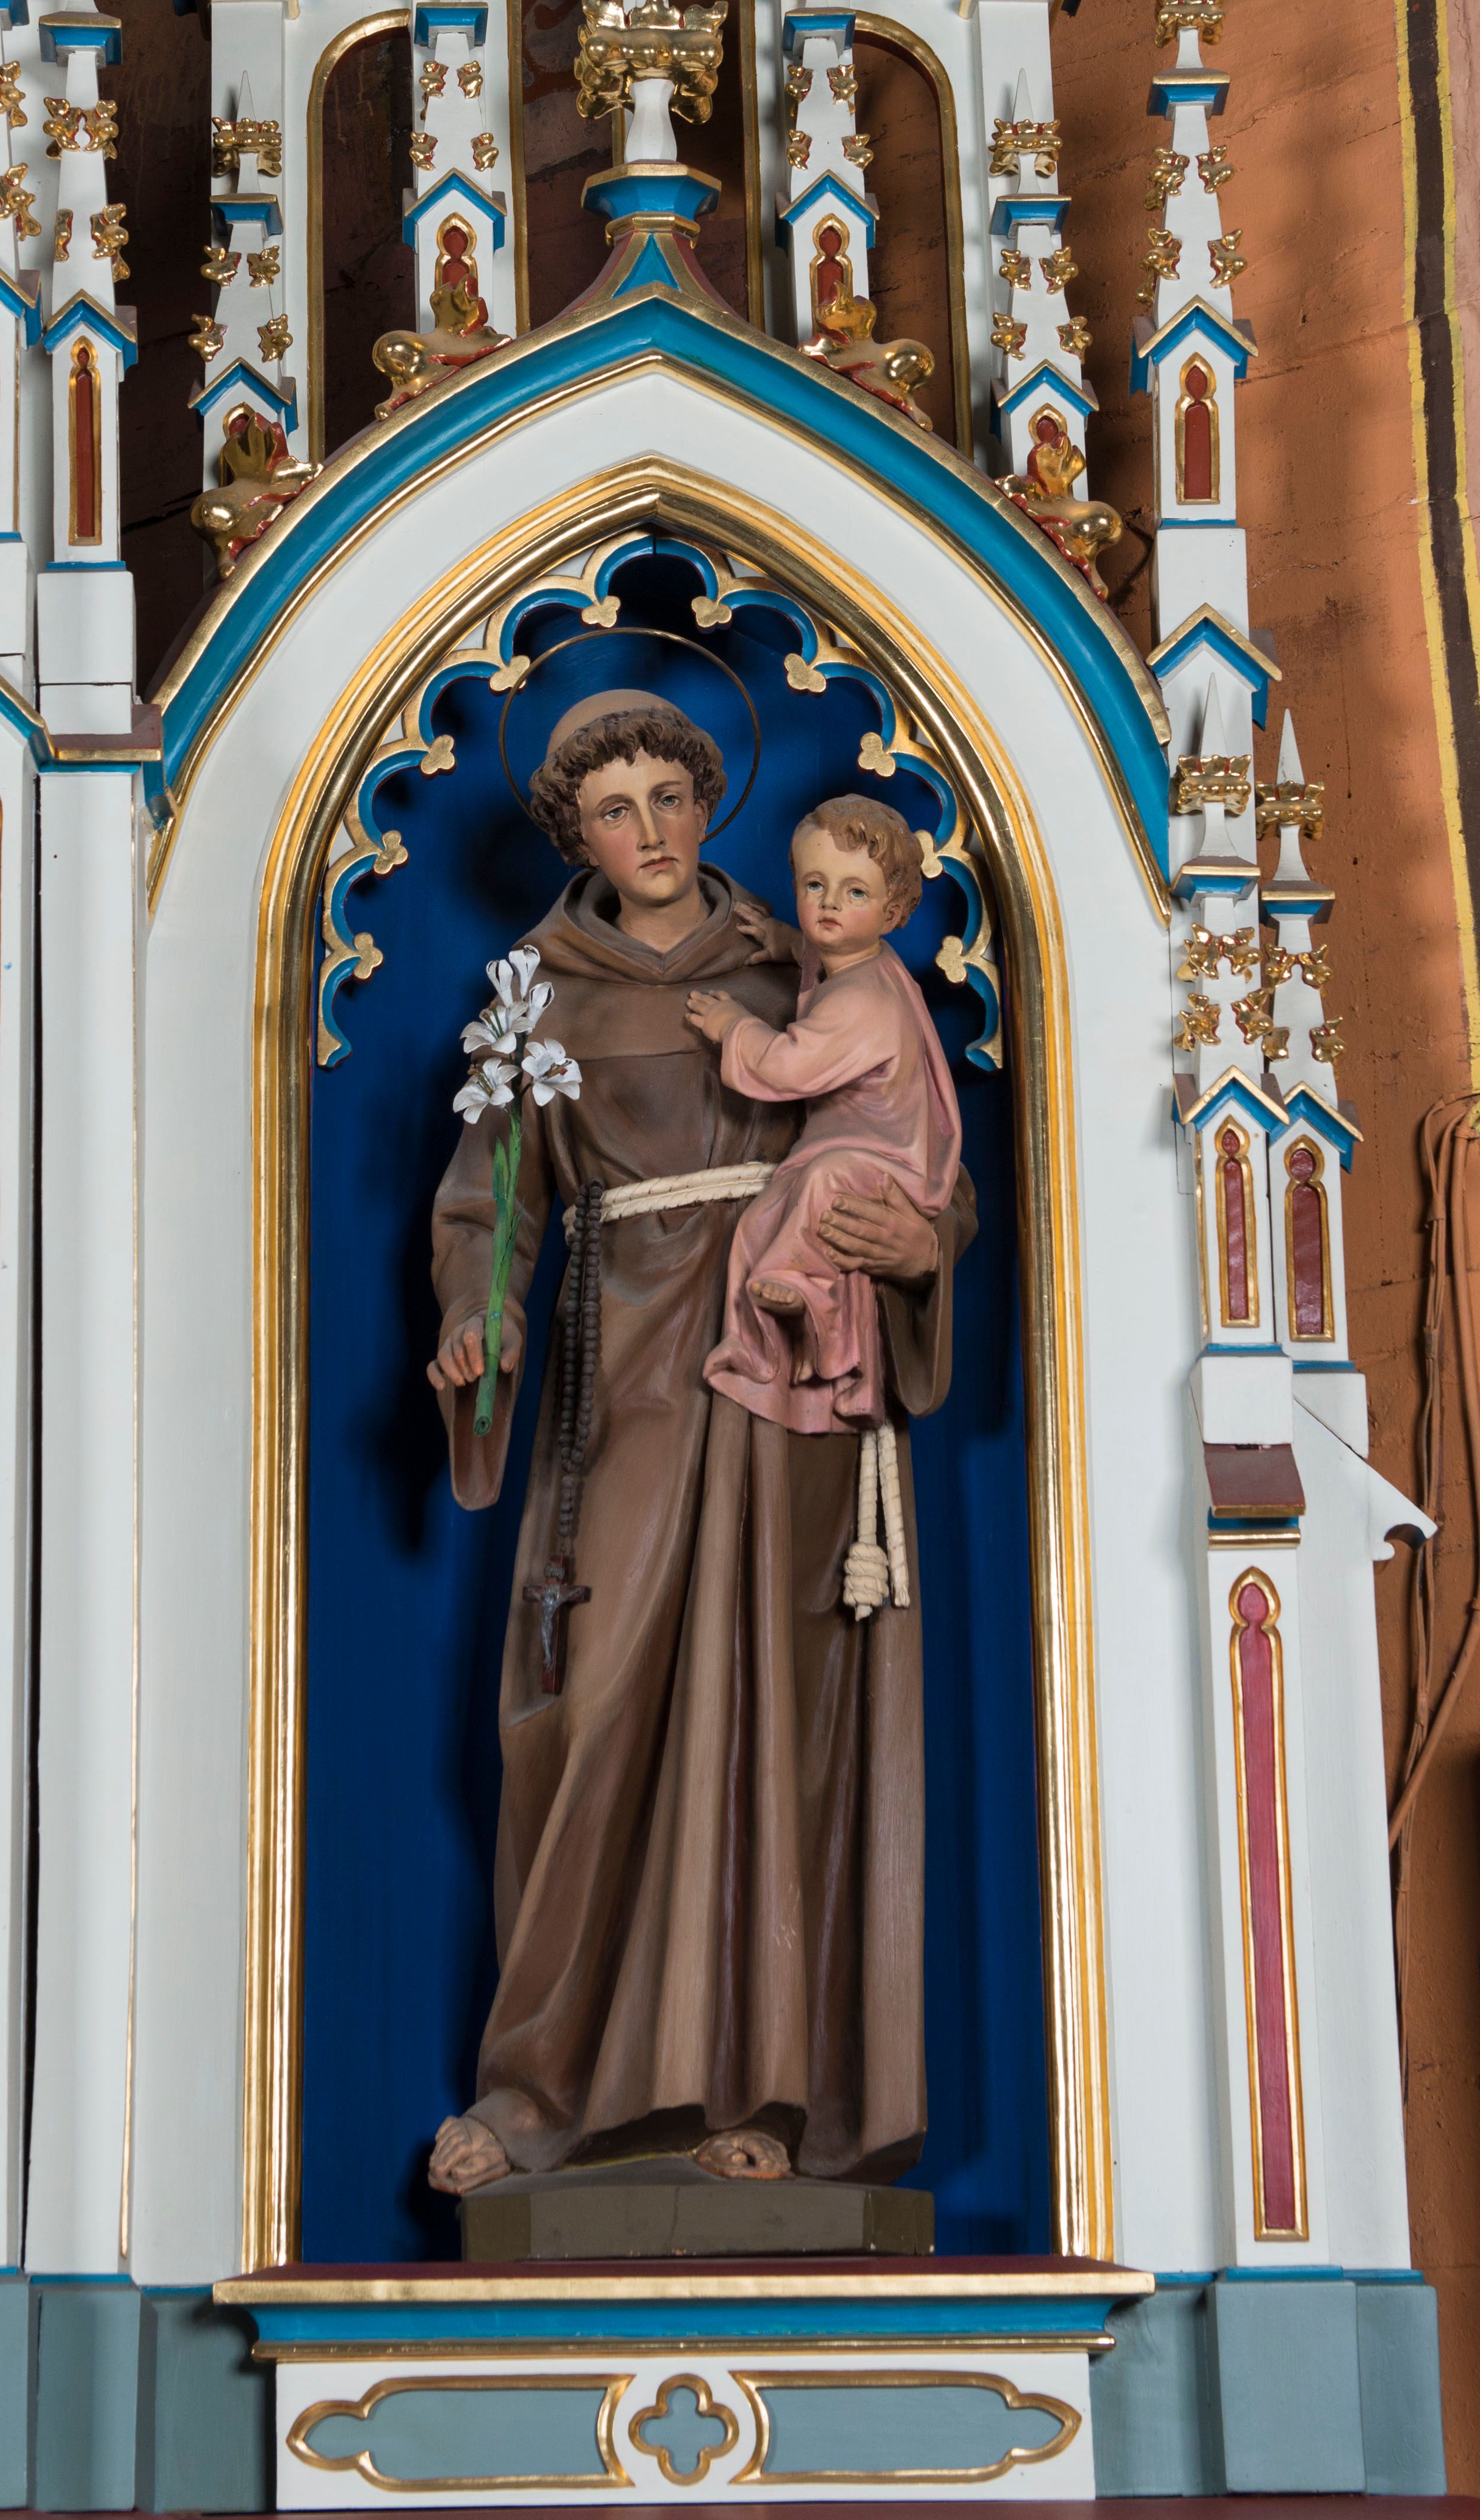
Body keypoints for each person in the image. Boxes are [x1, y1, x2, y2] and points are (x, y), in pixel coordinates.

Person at [425, 690, 976, 2199]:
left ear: (707, 799)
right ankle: (540, 2088)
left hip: (791, 1365)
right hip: (626, 1371)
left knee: (778, 1711)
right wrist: (478, 1312)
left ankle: (764, 2093)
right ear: (576, 832)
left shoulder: (801, 961)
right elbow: (491, 1192)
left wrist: (920, 1249)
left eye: (670, 796)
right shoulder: (534, 993)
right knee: (588, 1704)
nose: (652, 830)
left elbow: (917, 1140)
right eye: (617, 809)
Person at [685, 796, 962, 1434]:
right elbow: (820, 953)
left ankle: (812, 1300)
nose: (829, 904)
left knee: (819, 1186)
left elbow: (787, 1066)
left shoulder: (864, 1000)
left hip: (882, 1160)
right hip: (856, 1142)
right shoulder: (858, 959)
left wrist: (733, 1026)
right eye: (815, 886)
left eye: (854, 892)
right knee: (757, 1227)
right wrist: (787, 942)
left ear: (892, 913)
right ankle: (755, 1348)